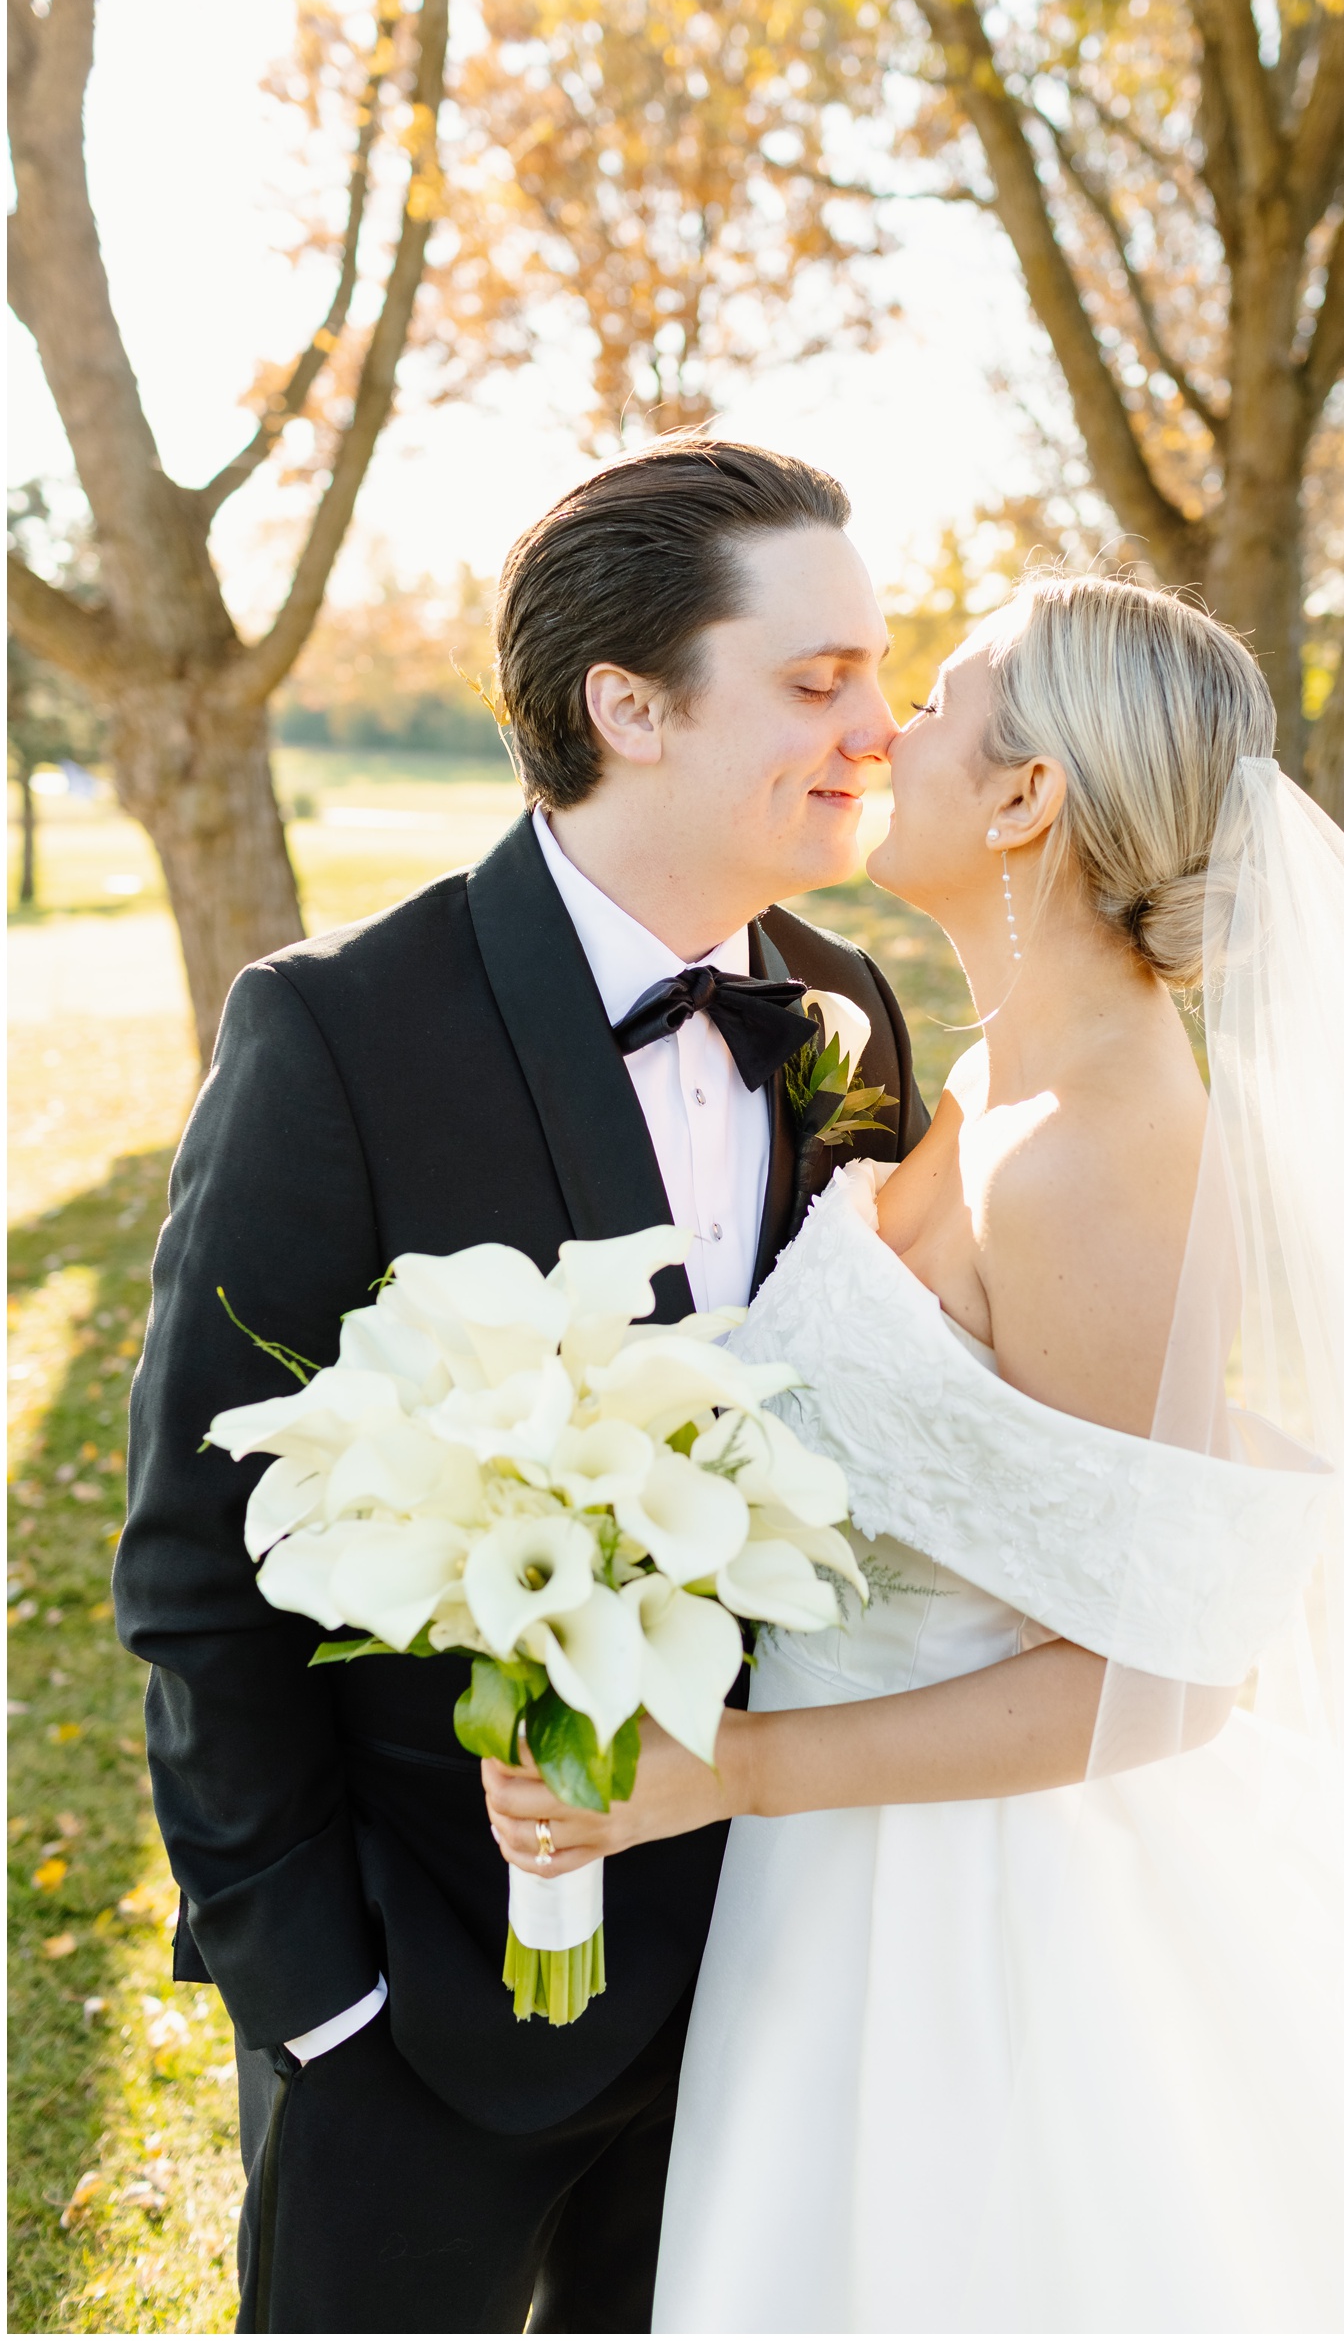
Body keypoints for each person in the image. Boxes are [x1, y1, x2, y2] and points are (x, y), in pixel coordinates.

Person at [485, 575, 1344, 2332]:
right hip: (837, 1883)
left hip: (984, 1933)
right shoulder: (990, 1083)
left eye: (944, 696)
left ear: (1026, 797)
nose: (884, 728)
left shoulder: (1107, 1151)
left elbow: (1168, 1677)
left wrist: (731, 1766)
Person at [113, 439, 929, 2334]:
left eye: (880, 677)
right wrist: (318, 1996)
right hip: (426, 2004)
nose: (877, 727)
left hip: (768, 1980)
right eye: (818, 683)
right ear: (625, 705)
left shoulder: (844, 1010)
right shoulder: (337, 1031)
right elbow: (192, 1564)